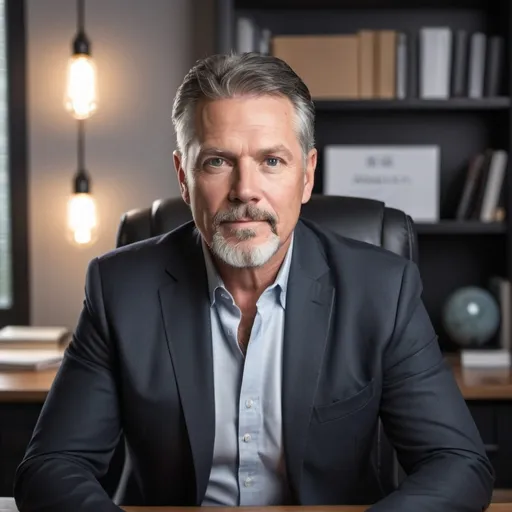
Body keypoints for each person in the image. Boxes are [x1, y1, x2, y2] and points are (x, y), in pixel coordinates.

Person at [14, 52, 494, 512]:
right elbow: (52, 468)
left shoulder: (382, 290)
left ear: (306, 176)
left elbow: (458, 464)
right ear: (184, 178)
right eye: (217, 161)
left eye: (272, 161)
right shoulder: (119, 289)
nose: (245, 190)